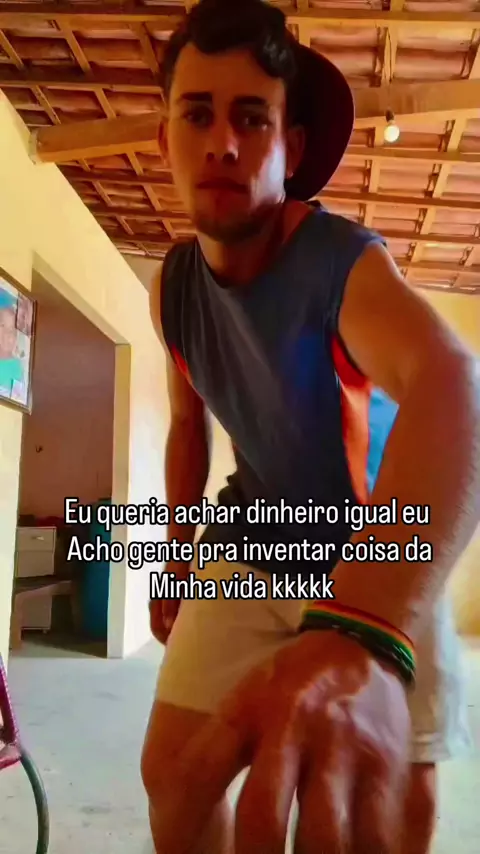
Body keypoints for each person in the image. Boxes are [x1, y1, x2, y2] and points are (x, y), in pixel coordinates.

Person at [141, 1, 480, 852]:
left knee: (381, 802)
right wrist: (177, 553)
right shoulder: (172, 289)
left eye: (252, 119)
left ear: (290, 150)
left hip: (381, 545)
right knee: (175, 774)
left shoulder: (343, 263)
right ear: (165, 139)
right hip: (254, 537)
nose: (223, 142)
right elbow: (187, 425)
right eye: (198, 114)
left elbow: (455, 382)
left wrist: (366, 626)